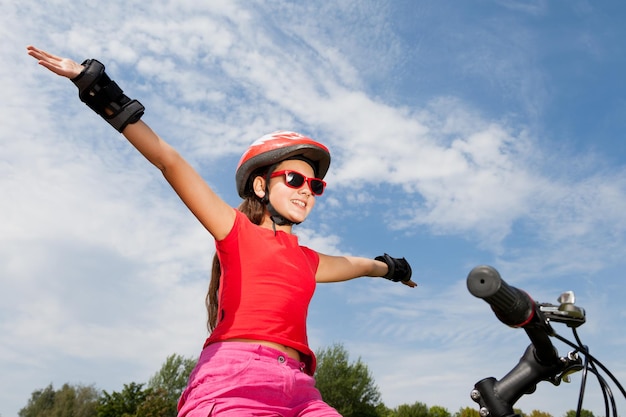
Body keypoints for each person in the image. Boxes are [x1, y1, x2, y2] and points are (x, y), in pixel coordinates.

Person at [26, 45, 417, 416]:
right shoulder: (235, 230)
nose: (307, 192)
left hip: (302, 392)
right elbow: (169, 161)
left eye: (315, 186)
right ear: (261, 186)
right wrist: (95, 87)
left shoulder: (308, 261)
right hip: (235, 383)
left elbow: (360, 265)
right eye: (295, 180)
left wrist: (394, 269)